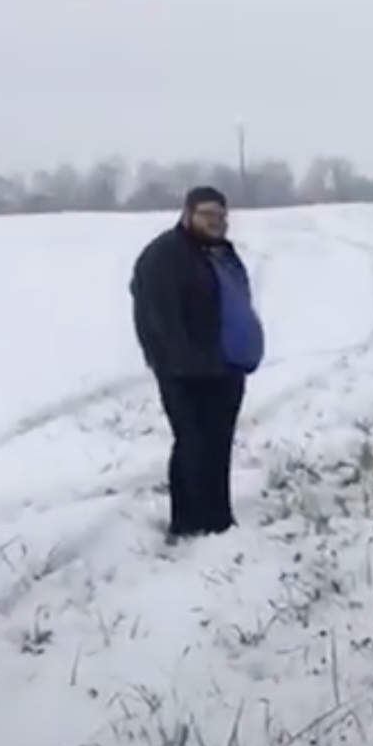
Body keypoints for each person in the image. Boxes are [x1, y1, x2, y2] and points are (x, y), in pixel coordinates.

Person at [130, 186, 266, 539]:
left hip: (225, 366)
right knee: (192, 443)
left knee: (218, 444)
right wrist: (181, 361)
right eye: (207, 214)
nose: (216, 221)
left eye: (221, 215)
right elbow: (157, 317)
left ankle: (218, 519)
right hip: (184, 371)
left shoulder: (220, 252)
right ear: (188, 214)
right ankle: (188, 524)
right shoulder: (164, 255)